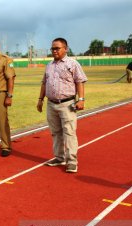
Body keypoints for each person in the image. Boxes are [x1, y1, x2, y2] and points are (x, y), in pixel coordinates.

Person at [37, 38, 87, 173]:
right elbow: (44, 83)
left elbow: (80, 81)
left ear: (65, 49)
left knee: (69, 132)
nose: (54, 51)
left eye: (57, 48)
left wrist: (81, 99)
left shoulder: (72, 64)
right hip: (51, 104)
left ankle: (72, 161)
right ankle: (59, 157)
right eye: (52, 49)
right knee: (55, 132)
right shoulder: (49, 65)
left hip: (67, 103)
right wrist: (40, 99)